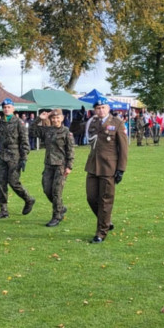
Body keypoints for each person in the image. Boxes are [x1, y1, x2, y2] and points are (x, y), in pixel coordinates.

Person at [0, 98, 35, 219]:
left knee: (14, 182)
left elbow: (25, 142)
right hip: (2, 154)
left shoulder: (18, 123)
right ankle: (3, 210)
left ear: (13, 109)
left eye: (9, 107)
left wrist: (24, 157)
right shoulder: (0, 122)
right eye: (4, 107)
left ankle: (28, 199)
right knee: (1, 183)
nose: (6, 109)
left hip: (14, 155)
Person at [85, 99, 128, 243]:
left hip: (109, 167)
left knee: (105, 200)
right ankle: (106, 221)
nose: (101, 110)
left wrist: (121, 169)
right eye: (98, 108)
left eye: (103, 107)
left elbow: (123, 148)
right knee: (91, 197)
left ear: (108, 108)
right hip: (93, 165)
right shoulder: (92, 122)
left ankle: (101, 232)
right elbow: (83, 134)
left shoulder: (117, 123)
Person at [30, 109, 76, 227]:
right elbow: (32, 131)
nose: (55, 120)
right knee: (46, 189)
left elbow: (70, 150)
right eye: (53, 118)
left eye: (57, 118)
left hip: (60, 165)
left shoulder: (66, 132)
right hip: (48, 164)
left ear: (62, 118)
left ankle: (56, 216)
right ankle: (60, 207)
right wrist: (39, 118)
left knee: (56, 192)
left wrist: (69, 166)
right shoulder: (47, 130)